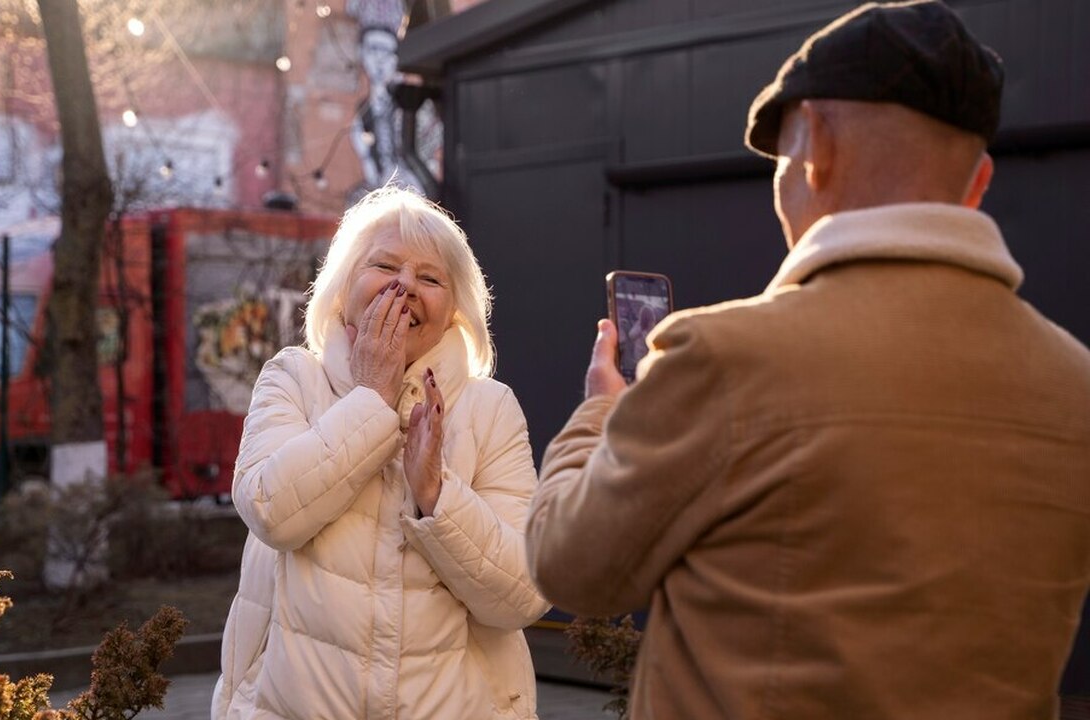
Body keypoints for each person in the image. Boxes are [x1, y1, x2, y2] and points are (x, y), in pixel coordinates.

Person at [526, 2, 1090, 718]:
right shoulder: (1074, 383)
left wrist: (600, 410)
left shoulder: (726, 358)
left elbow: (569, 566)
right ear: (977, 183)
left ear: (815, 148)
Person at [212, 186, 549, 720]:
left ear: (454, 315)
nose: (404, 286)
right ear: (342, 291)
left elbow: (524, 594)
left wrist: (436, 495)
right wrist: (370, 400)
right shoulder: (292, 378)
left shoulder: (490, 408)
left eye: (430, 278)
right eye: (385, 265)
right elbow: (270, 512)